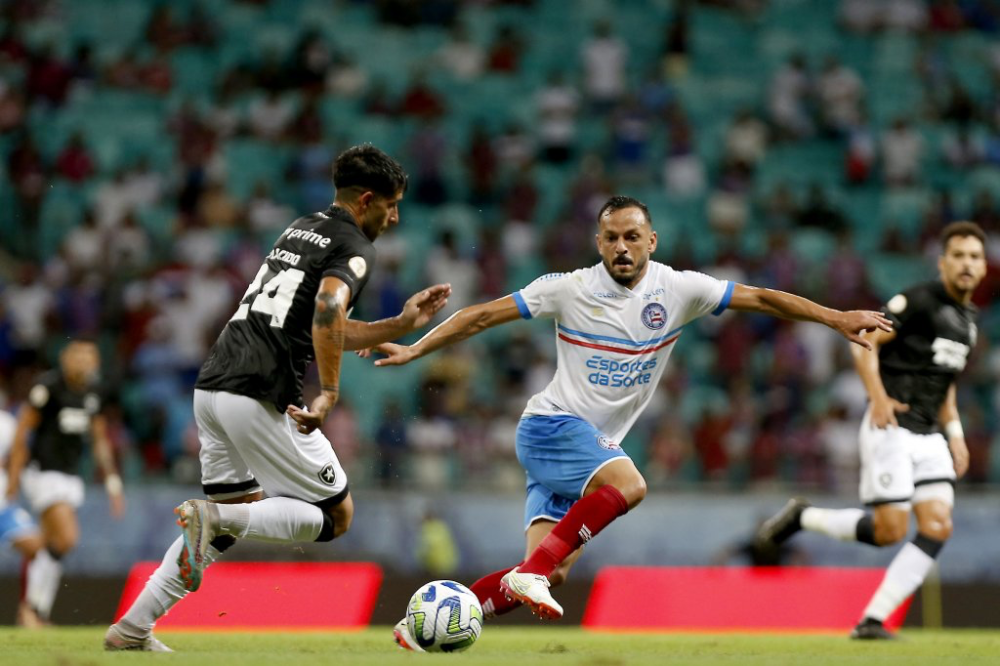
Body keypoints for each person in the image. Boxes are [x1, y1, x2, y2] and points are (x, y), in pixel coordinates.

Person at [372, 195, 891, 650]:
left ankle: (423, 626)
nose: (622, 247)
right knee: (630, 485)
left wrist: (835, 317)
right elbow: (483, 314)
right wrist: (417, 349)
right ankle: (528, 576)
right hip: (551, 427)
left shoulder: (680, 289)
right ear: (598, 242)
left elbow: (761, 298)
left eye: (632, 237)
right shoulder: (569, 288)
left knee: (552, 569)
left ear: (652, 241)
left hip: (579, 452)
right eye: (612, 237)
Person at [104, 144, 451, 651]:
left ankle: (131, 629)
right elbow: (329, 311)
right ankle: (213, 518)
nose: (394, 218)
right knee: (336, 516)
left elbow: (317, 323)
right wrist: (328, 392)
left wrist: (396, 326)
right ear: (366, 200)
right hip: (260, 393)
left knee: (225, 525)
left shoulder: (301, 228)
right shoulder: (355, 245)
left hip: (214, 386)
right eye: (391, 205)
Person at [755, 221, 987, 640]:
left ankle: (873, 620)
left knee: (937, 526)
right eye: (958, 255)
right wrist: (877, 397)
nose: (967, 263)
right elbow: (863, 339)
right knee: (889, 532)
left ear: (984, 266)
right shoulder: (919, 301)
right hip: (891, 427)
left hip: (930, 435)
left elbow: (946, 380)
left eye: (974, 256)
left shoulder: (968, 321)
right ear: (942, 262)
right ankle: (803, 516)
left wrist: (955, 433)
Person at [5, 338, 124, 626]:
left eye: (88, 355)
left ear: (96, 361)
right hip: (43, 472)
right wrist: (13, 478)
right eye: (77, 354)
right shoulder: (49, 387)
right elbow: (22, 430)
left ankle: (35, 611)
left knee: (51, 545)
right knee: (67, 537)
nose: (83, 361)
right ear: (65, 358)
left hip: (71, 476)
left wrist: (113, 483)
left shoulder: (94, 393)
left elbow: (99, 439)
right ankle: (32, 608)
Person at [0, 408, 44, 627]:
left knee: (36, 546)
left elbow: (20, 452)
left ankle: (27, 611)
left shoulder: (6, 422)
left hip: (2, 504)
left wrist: (13, 480)